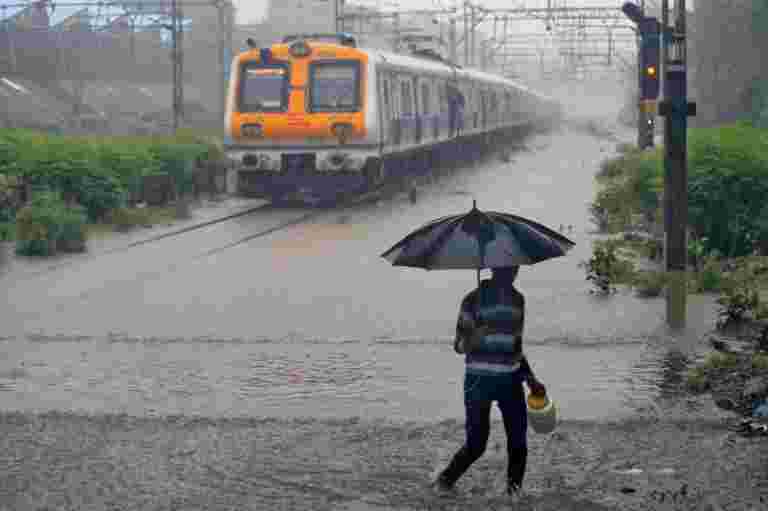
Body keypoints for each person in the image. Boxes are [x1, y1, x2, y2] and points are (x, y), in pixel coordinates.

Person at [434, 266, 546, 500]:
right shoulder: (472, 300)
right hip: (478, 382)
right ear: (494, 267)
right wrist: (472, 338)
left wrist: (530, 378)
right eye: (506, 265)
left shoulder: (518, 301)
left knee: (518, 442)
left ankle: (513, 495)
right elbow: (458, 346)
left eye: (514, 265)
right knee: (476, 445)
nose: (511, 270)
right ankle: (444, 482)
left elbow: (516, 347)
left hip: (511, 380)